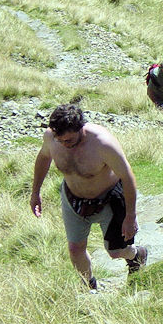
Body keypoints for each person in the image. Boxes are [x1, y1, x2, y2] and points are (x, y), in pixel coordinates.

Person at [30, 104, 147, 290]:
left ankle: (137, 255)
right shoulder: (51, 138)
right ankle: (89, 286)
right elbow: (44, 158)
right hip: (73, 199)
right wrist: (35, 192)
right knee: (75, 250)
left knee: (116, 252)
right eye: (61, 141)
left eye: (69, 140)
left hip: (109, 200)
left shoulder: (102, 143)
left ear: (80, 129)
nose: (65, 144)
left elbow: (127, 176)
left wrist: (130, 216)